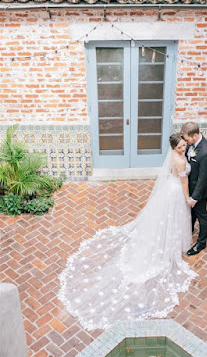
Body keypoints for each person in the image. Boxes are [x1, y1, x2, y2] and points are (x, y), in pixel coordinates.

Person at [58, 133, 197, 331]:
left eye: (184, 146)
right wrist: (188, 198)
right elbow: (184, 182)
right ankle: (171, 243)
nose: (183, 149)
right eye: (180, 147)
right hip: (176, 191)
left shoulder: (175, 157)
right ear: (173, 148)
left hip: (169, 189)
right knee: (173, 218)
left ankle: (170, 238)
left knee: (167, 219)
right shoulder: (180, 161)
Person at [180, 122, 207, 256]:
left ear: (194, 135)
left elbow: (203, 179)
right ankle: (189, 230)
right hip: (190, 186)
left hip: (199, 191)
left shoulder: (206, 153)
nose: (186, 142)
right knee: (192, 212)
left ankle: (201, 242)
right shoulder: (191, 144)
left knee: (202, 215)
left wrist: (194, 197)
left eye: (187, 139)